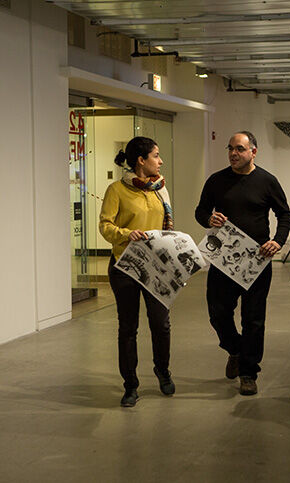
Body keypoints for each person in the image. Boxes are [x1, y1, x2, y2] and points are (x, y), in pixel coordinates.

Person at [194, 131, 290, 396]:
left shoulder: (267, 181)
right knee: (218, 314)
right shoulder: (216, 181)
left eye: (239, 149)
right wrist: (208, 220)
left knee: (253, 319)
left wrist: (278, 241)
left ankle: (248, 372)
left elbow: (284, 214)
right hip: (223, 261)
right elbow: (201, 211)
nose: (233, 154)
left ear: (253, 152)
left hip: (257, 261)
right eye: (230, 149)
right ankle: (235, 349)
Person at [99, 136, 175, 407]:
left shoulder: (160, 189)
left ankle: (162, 370)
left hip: (155, 266)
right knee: (128, 328)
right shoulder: (116, 190)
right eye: (156, 155)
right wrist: (126, 234)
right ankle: (130, 385)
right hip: (125, 266)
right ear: (141, 161)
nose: (160, 161)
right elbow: (105, 226)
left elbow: (167, 227)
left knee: (161, 323)